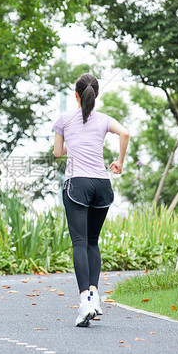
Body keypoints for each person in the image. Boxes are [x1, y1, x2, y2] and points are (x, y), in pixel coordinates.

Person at [52, 73, 129, 327]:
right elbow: (125, 133)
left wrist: (69, 142)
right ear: (96, 95)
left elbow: (58, 152)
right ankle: (94, 296)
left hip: (78, 184)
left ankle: (84, 300)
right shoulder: (104, 119)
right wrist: (119, 162)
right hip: (102, 184)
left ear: (76, 95)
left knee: (79, 242)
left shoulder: (64, 120)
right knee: (93, 242)